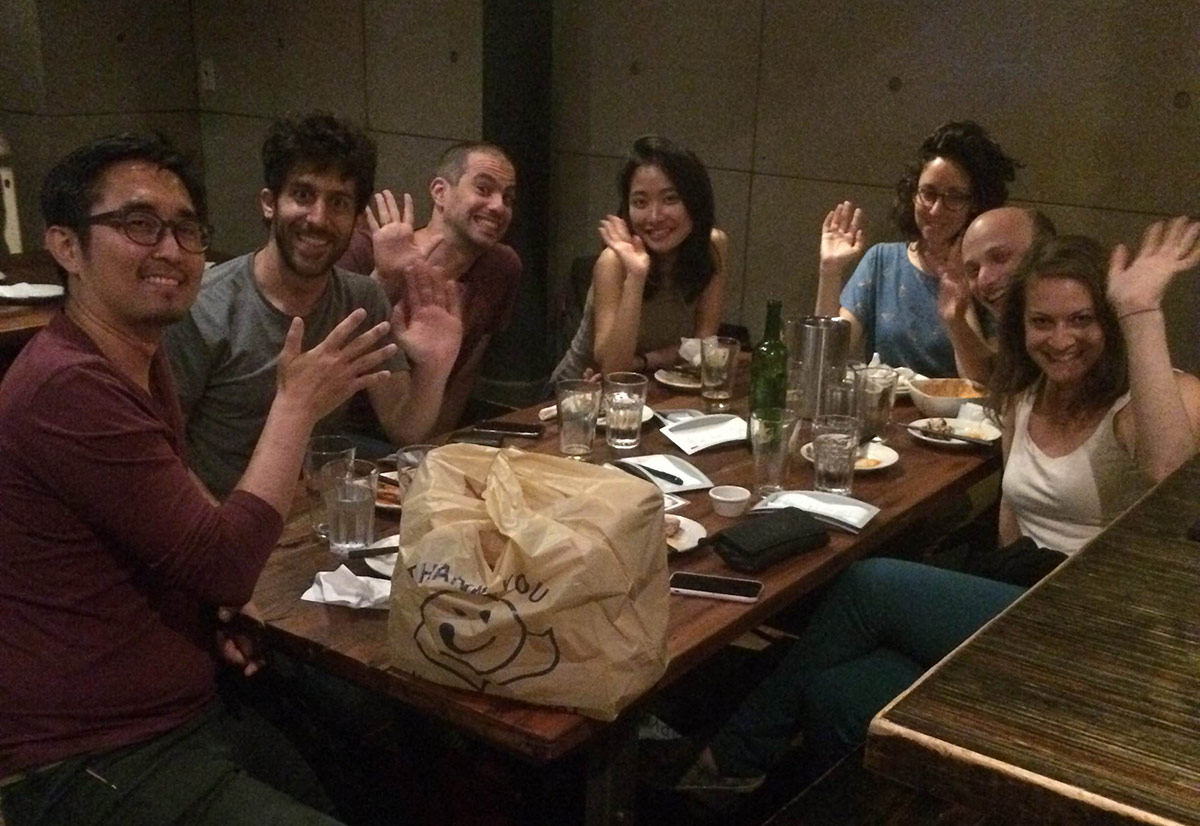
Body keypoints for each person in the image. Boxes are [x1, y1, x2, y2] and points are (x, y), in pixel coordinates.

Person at [676, 219, 1200, 794]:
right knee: (839, 695)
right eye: (1042, 322)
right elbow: (1014, 516)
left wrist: (1140, 310)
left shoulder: (1141, 402)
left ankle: (732, 757)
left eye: (1083, 320)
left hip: (1091, 632)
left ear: (1110, 322)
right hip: (1018, 603)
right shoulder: (1030, 393)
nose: (1061, 339)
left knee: (868, 585)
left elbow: (1170, 468)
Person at [0, 134, 396, 824]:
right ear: (66, 247)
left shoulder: (137, 362)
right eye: (138, 224)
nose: (172, 249)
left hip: (186, 704)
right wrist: (295, 403)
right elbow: (224, 561)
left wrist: (209, 615)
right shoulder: (65, 385)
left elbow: (176, 545)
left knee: (387, 767)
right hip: (86, 752)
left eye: (186, 228)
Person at [165, 113, 462, 498]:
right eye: (303, 195)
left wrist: (436, 367)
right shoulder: (203, 306)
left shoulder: (361, 300)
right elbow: (165, 454)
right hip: (220, 519)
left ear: (357, 220)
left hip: (316, 519)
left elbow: (406, 427)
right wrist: (225, 538)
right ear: (270, 203)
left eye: (338, 202)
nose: (319, 219)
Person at [337, 141, 523, 432]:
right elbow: (329, 349)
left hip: (420, 431)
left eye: (508, 198)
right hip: (347, 434)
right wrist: (386, 282)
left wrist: (439, 445)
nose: (498, 206)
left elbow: (465, 372)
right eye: (484, 189)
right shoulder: (364, 250)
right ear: (440, 192)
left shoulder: (502, 266)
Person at [814, 121, 1019, 376]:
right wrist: (830, 270)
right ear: (913, 194)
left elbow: (989, 382)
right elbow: (827, 359)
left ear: (975, 204)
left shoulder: (987, 274)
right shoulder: (882, 260)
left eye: (954, 197)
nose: (935, 209)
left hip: (963, 415)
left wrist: (958, 305)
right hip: (887, 410)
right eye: (928, 193)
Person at [550, 135, 728, 381]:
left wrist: (644, 361)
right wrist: (636, 274)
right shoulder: (613, 263)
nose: (654, 216)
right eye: (640, 202)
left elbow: (703, 344)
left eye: (670, 199)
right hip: (577, 398)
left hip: (654, 387)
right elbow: (614, 370)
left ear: (695, 201)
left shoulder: (713, 245)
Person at [939, 206, 1057, 382]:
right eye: (973, 270)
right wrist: (955, 320)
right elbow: (994, 379)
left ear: (1047, 253)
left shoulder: (1086, 326)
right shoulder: (1017, 331)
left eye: (1000, 258)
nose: (983, 280)